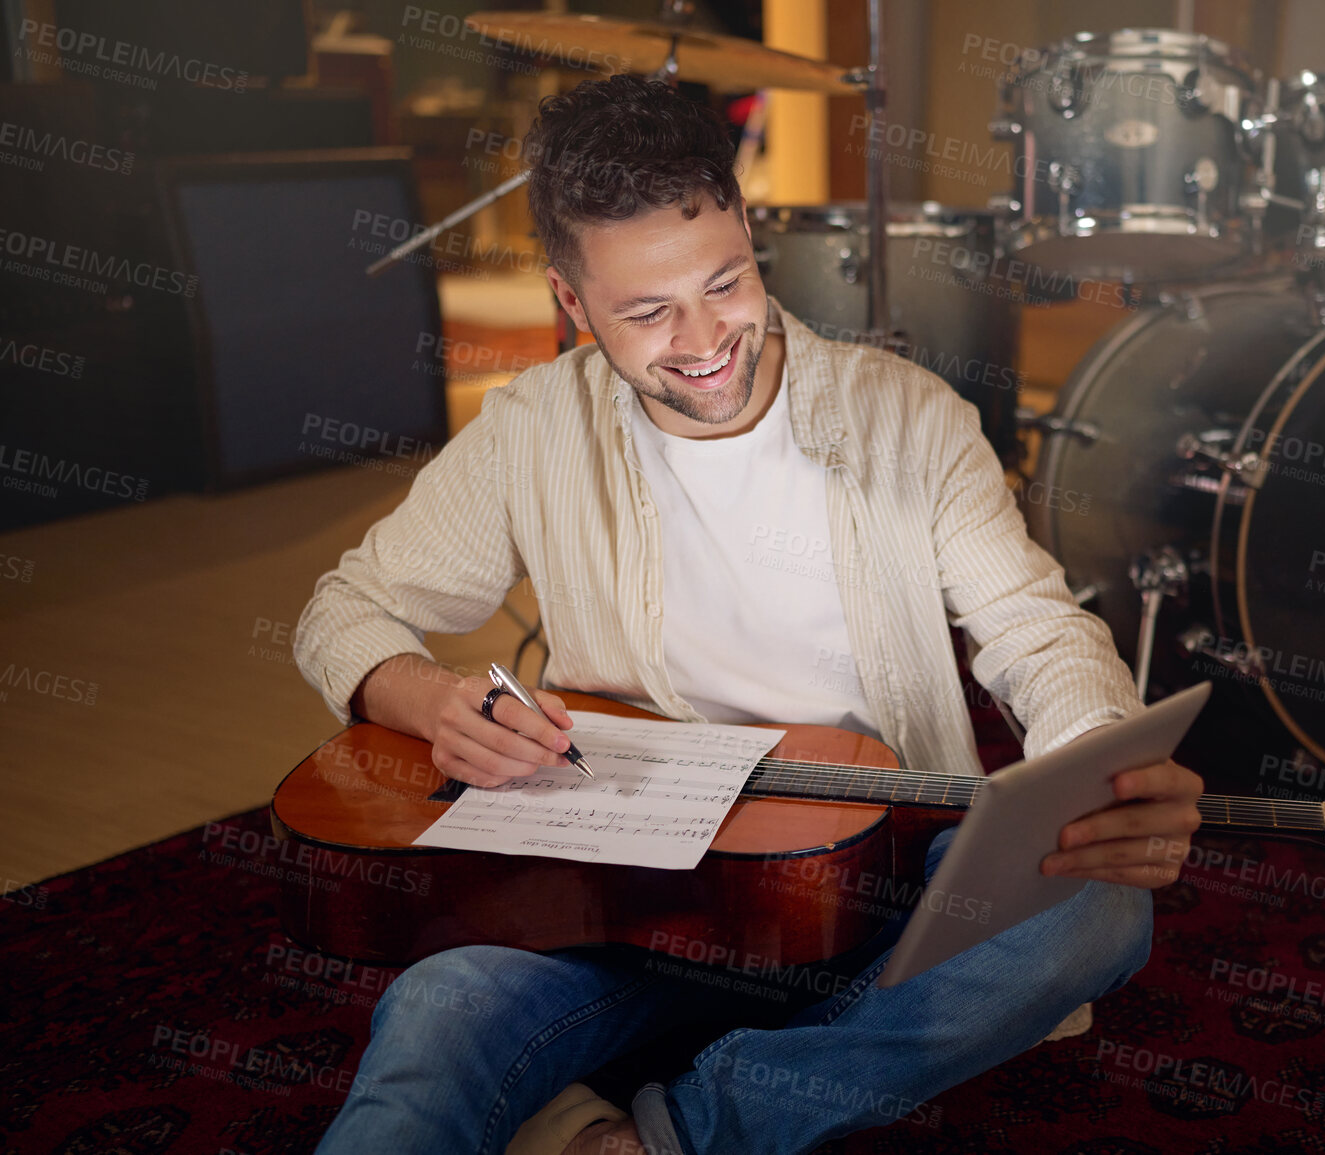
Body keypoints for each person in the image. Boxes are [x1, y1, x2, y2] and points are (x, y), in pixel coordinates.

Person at [295, 73, 1204, 1155]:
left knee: (1098, 913)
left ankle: (662, 1134)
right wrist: (428, 694)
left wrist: (1094, 764)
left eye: (724, 284)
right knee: (437, 1010)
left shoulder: (909, 417)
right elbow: (344, 609)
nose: (702, 339)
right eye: (644, 313)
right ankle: (841, 1060)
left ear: (750, 241)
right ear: (571, 304)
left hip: (876, 881)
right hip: (629, 901)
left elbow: (1036, 628)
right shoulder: (529, 430)